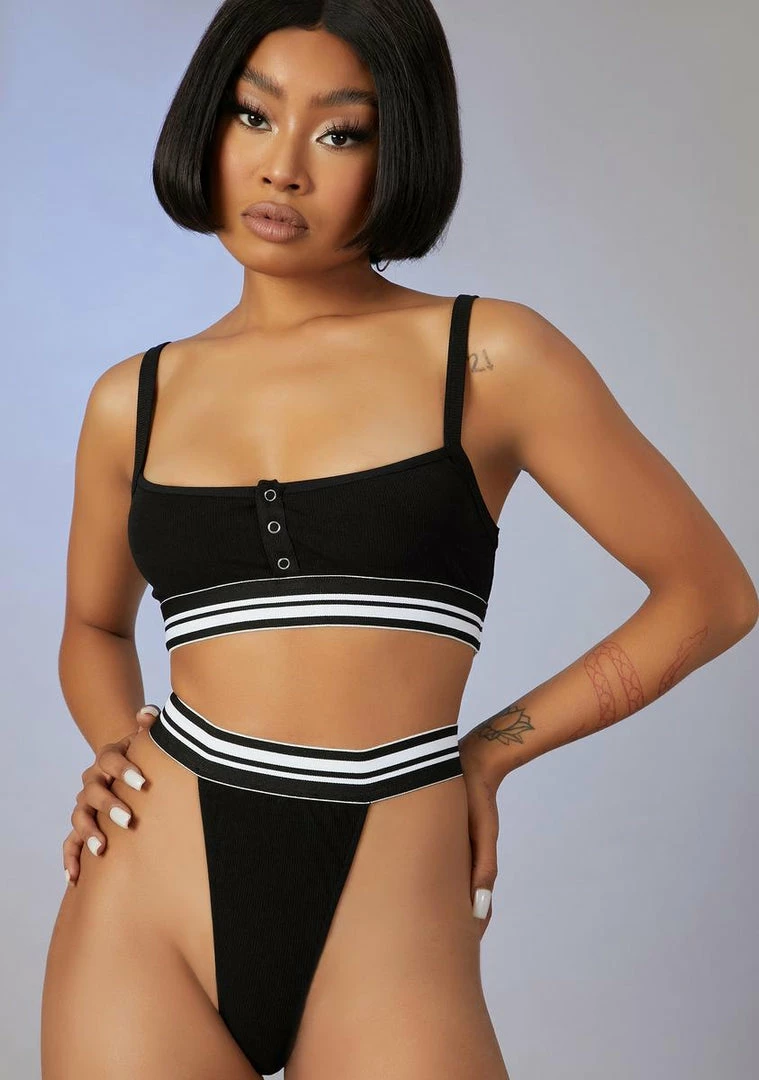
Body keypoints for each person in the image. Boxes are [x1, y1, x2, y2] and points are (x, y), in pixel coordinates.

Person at [40, 2, 758, 1077]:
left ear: (402, 150)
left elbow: (711, 595)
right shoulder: (129, 401)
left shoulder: (486, 357)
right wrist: (114, 752)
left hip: (389, 905)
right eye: (253, 116)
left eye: (341, 132)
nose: (282, 168)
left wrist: (494, 751)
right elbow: (94, 627)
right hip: (146, 908)